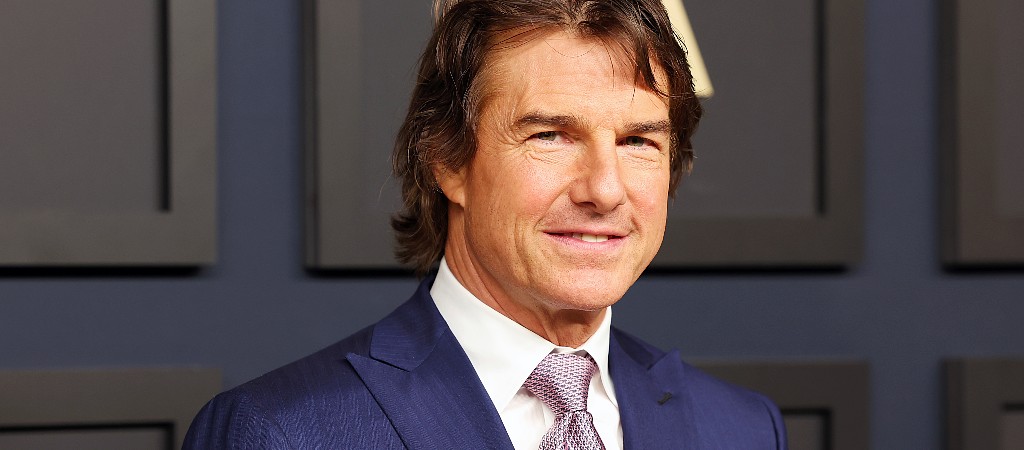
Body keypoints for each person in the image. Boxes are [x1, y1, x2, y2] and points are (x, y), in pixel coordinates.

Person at [184, 0, 788, 448]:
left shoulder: (742, 429)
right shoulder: (282, 432)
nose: (604, 190)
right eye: (550, 135)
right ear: (448, 161)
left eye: (637, 142)